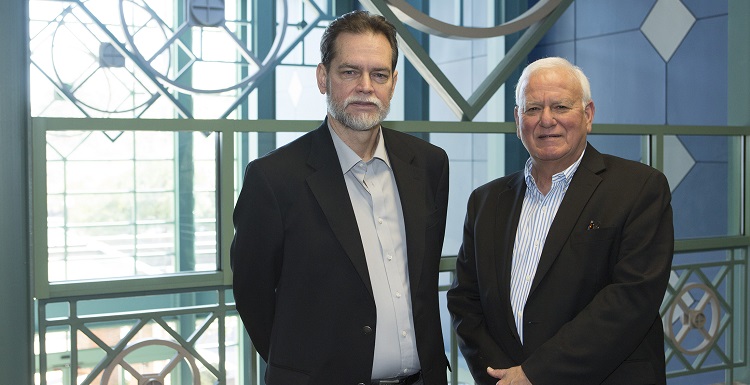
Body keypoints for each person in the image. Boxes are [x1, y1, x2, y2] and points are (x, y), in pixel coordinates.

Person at [231, 10, 450, 385]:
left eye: (379, 74)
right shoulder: (273, 178)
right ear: (323, 77)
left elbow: (424, 280)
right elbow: (253, 295)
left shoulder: (429, 165)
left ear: (393, 83)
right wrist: (302, 369)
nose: (366, 86)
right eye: (349, 72)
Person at [446, 57, 674, 385]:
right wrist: (502, 377)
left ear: (588, 115)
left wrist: (534, 375)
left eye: (561, 106)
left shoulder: (639, 188)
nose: (546, 120)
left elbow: (630, 299)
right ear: (517, 119)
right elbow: (465, 301)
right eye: (533, 108)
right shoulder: (486, 201)